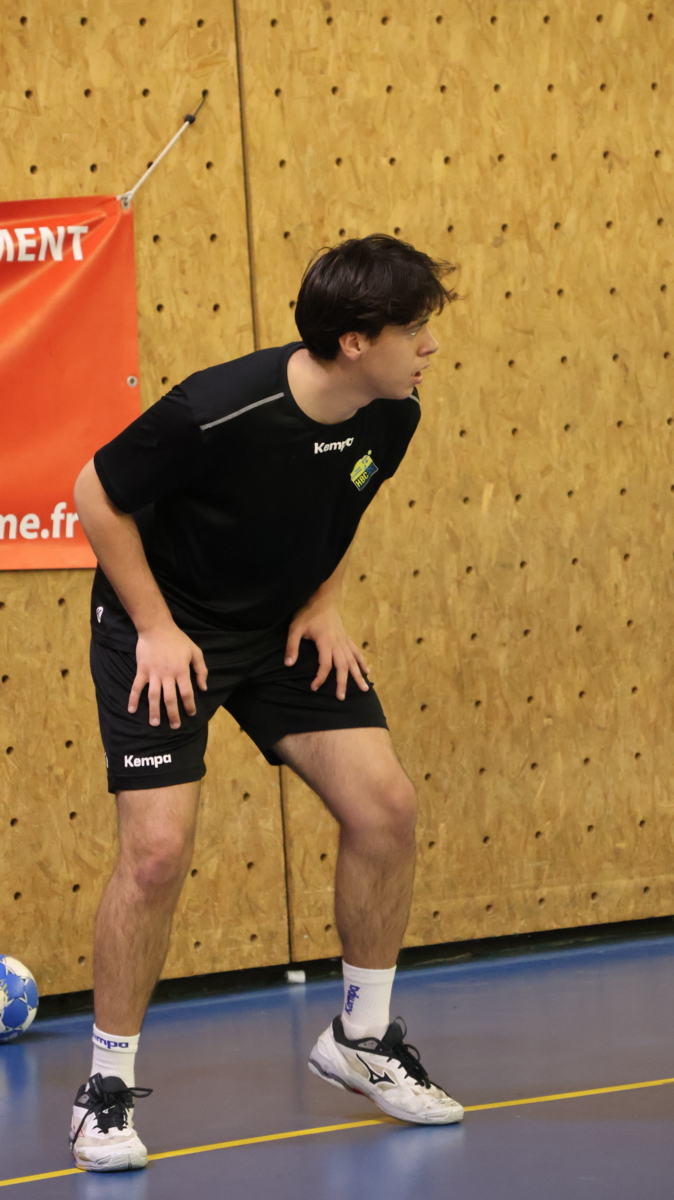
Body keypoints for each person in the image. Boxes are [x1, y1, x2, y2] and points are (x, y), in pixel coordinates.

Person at [69, 234, 465, 1172]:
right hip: (164, 630)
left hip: (278, 628)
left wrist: (323, 603)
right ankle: (104, 1094)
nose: (430, 347)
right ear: (356, 342)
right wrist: (156, 627)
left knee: (386, 807)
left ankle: (361, 1040)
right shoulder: (219, 407)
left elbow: (339, 509)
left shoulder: (392, 412)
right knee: (156, 854)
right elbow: (94, 494)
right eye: (414, 330)